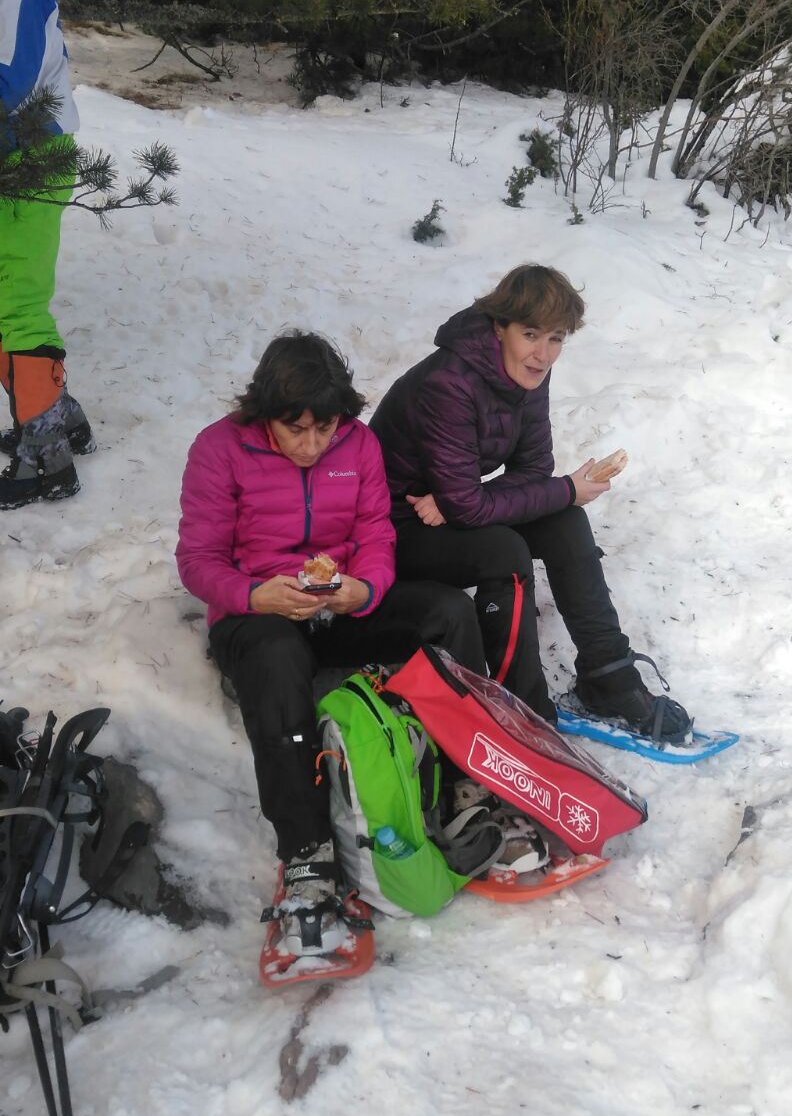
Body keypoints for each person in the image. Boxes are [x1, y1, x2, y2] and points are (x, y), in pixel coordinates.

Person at [176, 330, 486, 954]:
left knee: (450, 612)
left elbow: (376, 535)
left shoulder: (359, 444)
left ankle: (468, 784)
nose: (312, 444)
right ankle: (306, 851)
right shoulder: (219, 448)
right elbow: (198, 560)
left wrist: (364, 589)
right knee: (277, 655)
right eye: (296, 430)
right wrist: (254, 595)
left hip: (338, 603)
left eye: (325, 428)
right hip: (258, 613)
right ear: (266, 414)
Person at [370, 264, 691, 742]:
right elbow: (479, 505)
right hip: (394, 531)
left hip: (447, 512)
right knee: (505, 548)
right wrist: (475, 499)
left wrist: (463, 498)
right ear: (499, 327)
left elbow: (533, 471)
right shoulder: (449, 383)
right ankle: (521, 706)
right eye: (531, 334)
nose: (543, 353)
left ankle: (608, 676)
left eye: (556, 339)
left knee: (565, 520)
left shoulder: (528, 373)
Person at [0, 0, 94, 510]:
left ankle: (46, 462)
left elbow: (8, 83)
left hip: (32, 157)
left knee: (18, 304)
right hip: (10, 155)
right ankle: (58, 416)